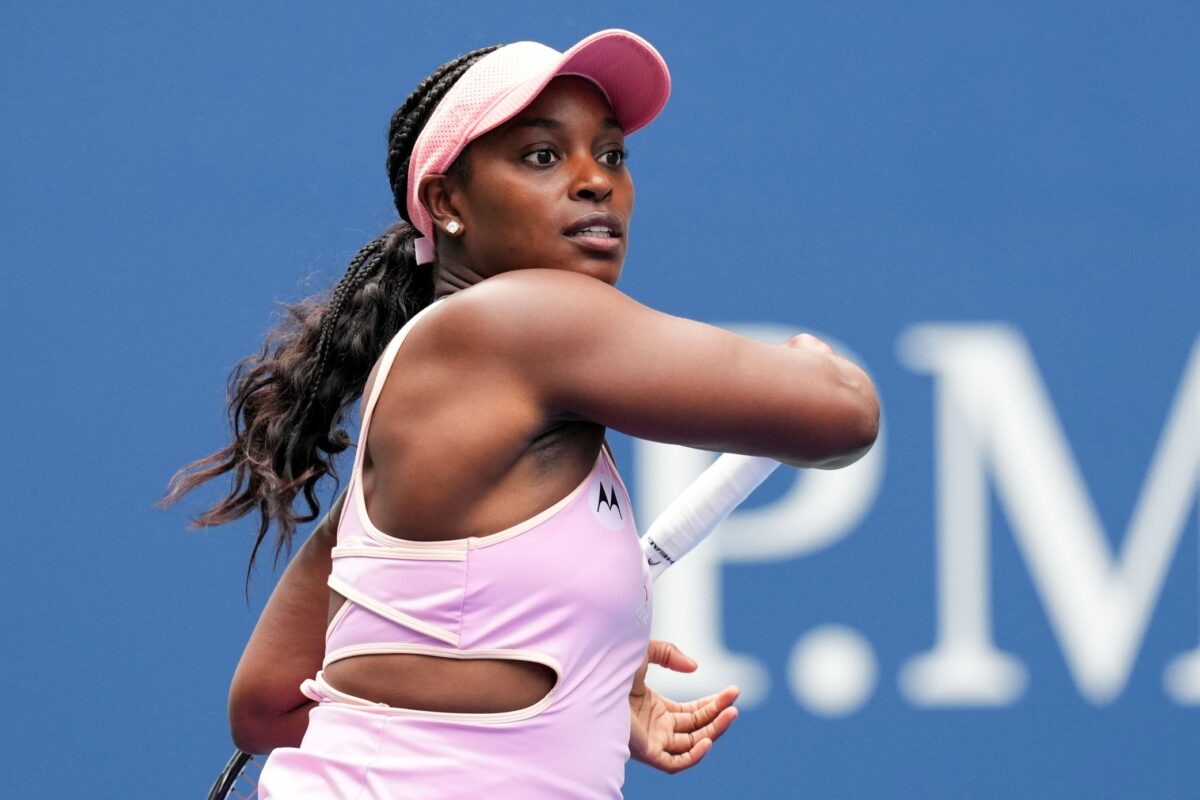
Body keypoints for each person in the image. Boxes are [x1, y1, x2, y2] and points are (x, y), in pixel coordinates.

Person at [163, 29, 879, 799]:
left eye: (612, 154)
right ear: (447, 203)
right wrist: (811, 356)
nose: (594, 181)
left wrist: (565, 702)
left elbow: (269, 704)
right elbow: (840, 411)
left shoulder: (430, 401)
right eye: (543, 155)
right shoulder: (527, 321)